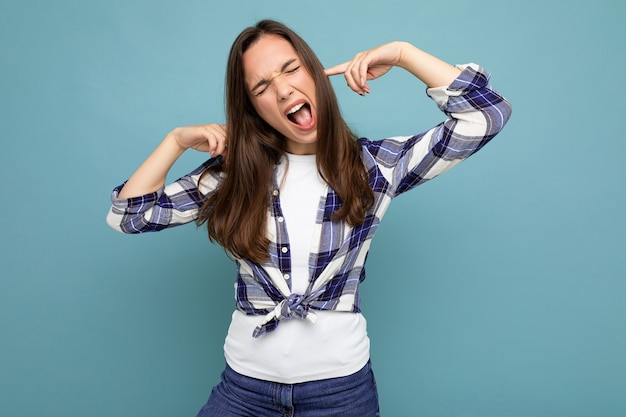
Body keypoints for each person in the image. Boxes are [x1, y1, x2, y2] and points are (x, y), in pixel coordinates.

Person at [106, 19, 512, 417]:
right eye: (262, 87)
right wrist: (175, 141)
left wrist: (403, 53)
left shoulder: (375, 167)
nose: (283, 90)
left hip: (340, 394)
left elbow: (486, 115)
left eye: (291, 69)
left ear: (316, 74)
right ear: (252, 108)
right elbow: (130, 215)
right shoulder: (232, 176)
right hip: (243, 391)